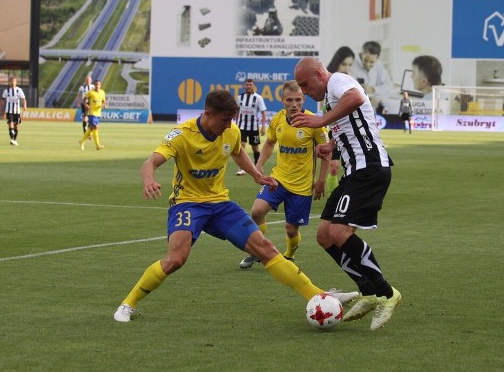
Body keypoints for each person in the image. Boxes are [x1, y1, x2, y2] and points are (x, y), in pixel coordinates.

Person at [113, 89, 358, 324]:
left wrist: (257, 175)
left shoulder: (230, 130)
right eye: (224, 120)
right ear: (207, 114)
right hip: (187, 204)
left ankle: (319, 295)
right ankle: (128, 303)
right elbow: (150, 162)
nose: (228, 125)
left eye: (232, 119)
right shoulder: (182, 135)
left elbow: (238, 151)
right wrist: (149, 180)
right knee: (176, 259)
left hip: (220, 204)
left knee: (266, 249)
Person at [292, 57, 401, 331]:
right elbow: (351, 127)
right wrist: (331, 145)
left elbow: (356, 97)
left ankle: (387, 293)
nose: (304, 91)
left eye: (305, 85)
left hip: (370, 168)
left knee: (340, 233)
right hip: (353, 172)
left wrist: (319, 122)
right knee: (324, 235)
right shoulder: (330, 98)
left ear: (319, 74)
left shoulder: (338, 81)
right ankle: (367, 291)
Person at [239, 80, 330, 270]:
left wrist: (321, 180)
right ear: (282, 100)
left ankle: (289, 255)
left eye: (298, 99)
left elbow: (326, 152)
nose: (294, 104)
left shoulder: (314, 123)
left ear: (304, 99)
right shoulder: (277, 119)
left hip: (302, 185)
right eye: (289, 100)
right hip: (278, 178)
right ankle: (257, 251)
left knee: (291, 229)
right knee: (256, 211)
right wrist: (259, 164)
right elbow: (270, 142)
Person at [324, 46, 357, 192]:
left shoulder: (349, 85)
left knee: (349, 167)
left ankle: (346, 194)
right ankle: (334, 195)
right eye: (344, 63)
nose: (346, 68)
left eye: (350, 65)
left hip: (349, 134)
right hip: (334, 133)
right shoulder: (329, 87)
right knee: (334, 167)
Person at [350, 41, 394, 114]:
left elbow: (389, 86)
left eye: (371, 62)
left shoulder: (379, 65)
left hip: (377, 106)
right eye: (365, 60)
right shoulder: (352, 64)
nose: (367, 64)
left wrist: (373, 89)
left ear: (377, 59)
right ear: (362, 53)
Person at [234, 78, 267, 176]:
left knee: (255, 148)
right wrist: (236, 123)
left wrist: (263, 127)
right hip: (242, 126)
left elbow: (263, 113)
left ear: (253, 86)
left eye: (250, 85)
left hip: (253, 127)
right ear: (245, 86)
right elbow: (237, 111)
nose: (248, 86)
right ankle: (242, 168)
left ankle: (258, 166)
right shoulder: (240, 97)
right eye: (247, 85)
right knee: (242, 146)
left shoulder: (258, 98)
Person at [78, 79, 106, 151]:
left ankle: (81, 141)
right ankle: (97, 145)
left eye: (98, 84)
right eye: (96, 84)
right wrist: (86, 105)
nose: (97, 86)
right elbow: (84, 99)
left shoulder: (102, 92)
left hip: (98, 113)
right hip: (91, 113)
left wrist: (104, 104)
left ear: (100, 85)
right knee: (95, 127)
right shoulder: (91, 92)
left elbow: (104, 100)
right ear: (94, 85)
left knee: (90, 129)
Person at [0, 76, 27, 146]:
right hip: (9, 111)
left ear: (16, 82)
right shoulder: (6, 91)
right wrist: (0, 109)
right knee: (11, 123)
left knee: (16, 126)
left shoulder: (19, 90)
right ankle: (12, 139)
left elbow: (23, 99)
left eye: (14, 81)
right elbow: (2, 100)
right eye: (11, 81)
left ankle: (14, 139)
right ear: (9, 82)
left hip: (17, 112)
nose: (12, 82)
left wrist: (24, 105)